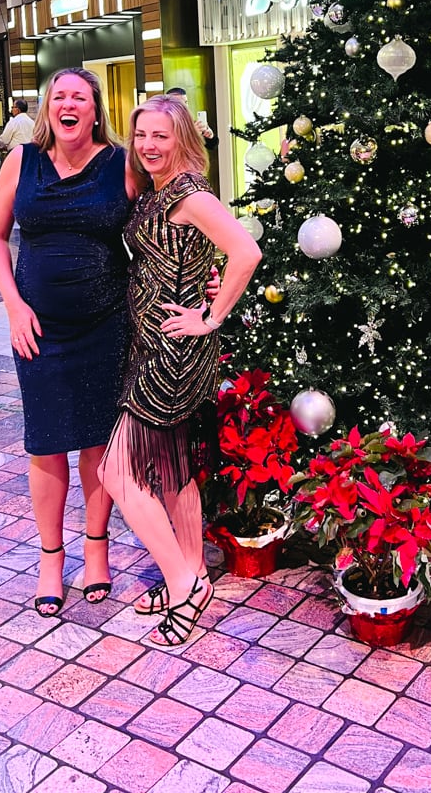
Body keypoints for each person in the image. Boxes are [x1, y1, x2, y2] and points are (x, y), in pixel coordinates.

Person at [99, 95, 261, 647]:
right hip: (150, 345)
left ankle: (184, 583)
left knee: (117, 473)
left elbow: (245, 252)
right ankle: (194, 573)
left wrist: (212, 315)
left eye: (160, 136)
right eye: (141, 134)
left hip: (173, 352)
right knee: (170, 470)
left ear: (182, 139)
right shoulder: (156, 191)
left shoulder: (190, 192)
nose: (148, 145)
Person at [0, 68, 138, 616]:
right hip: (38, 327)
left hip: (106, 324)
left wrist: (205, 278)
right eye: (59, 97)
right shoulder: (20, 162)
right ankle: (52, 559)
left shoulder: (122, 164)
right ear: (49, 108)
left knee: (97, 441)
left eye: (80, 97)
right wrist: (13, 305)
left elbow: (170, 225)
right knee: (46, 443)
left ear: (96, 110)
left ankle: (97, 552)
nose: (68, 105)